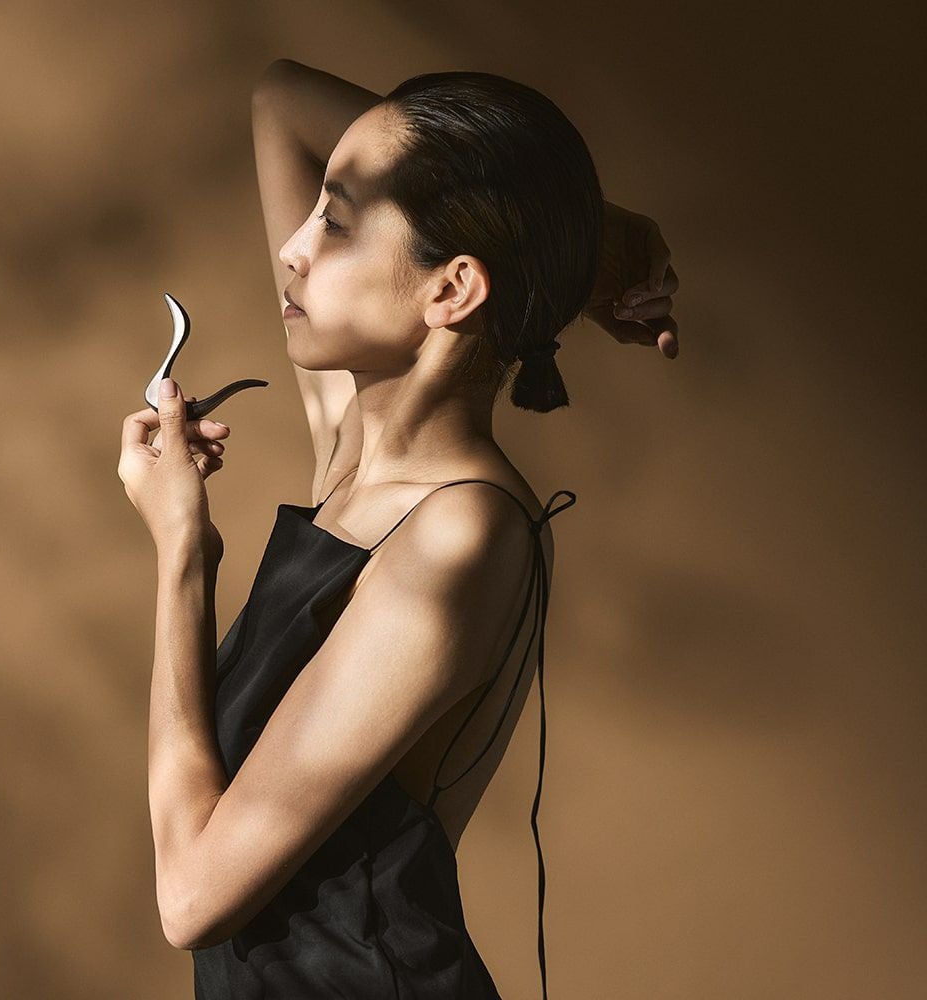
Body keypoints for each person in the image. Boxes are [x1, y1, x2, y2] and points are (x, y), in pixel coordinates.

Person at [118, 58, 679, 999]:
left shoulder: (458, 537)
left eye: (336, 222)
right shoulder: (354, 455)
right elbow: (280, 100)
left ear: (452, 291)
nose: (293, 248)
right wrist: (594, 244)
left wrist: (183, 553)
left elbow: (191, 898)